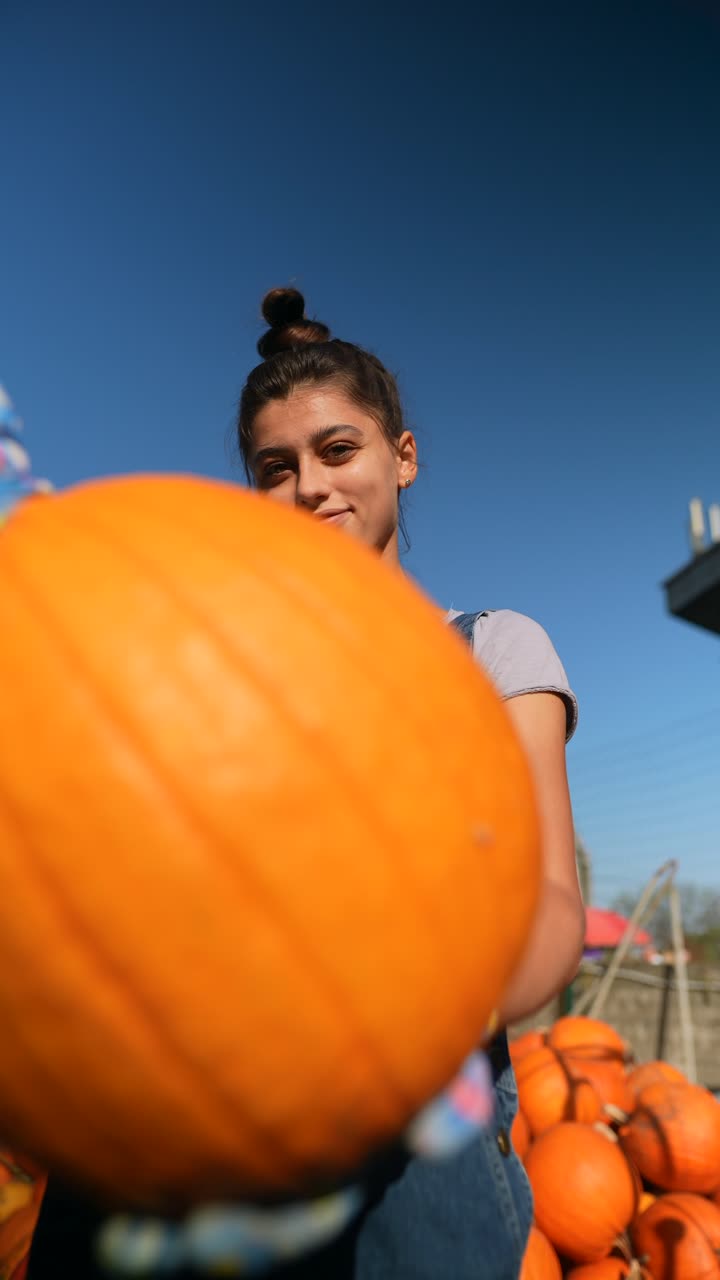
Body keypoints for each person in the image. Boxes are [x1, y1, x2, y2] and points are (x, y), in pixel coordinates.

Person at [231, 287, 586, 1279]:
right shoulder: (222, 676)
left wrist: (421, 998)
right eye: (275, 468)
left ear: (403, 456)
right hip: (223, 1108)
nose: (309, 487)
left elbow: (552, 906)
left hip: (419, 1135)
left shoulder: (493, 647)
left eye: (338, 450)